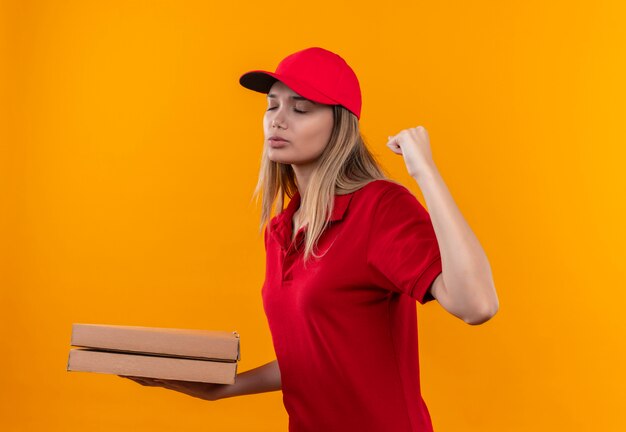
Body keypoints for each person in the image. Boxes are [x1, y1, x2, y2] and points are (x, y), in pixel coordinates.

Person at [120, 47, 499, 431]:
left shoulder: (379, 208)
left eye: (300, 109)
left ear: (340, 126)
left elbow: (477, 304)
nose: (278, 121)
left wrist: (425, 172)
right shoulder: (281, 231)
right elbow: (315, 357)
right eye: (272, 106)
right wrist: (220, 388)